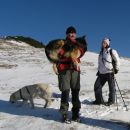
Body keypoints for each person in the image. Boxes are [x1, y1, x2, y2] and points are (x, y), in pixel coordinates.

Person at [53, 26, 86, 123]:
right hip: (64, 70)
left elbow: (82, 51)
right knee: (65, 92)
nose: (72, 34)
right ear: (66, 34)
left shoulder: (78, 43)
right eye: (70, 33)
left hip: (75, 70)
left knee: (75, 92)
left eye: (73, 33)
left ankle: (75, 113)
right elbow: (57, 55)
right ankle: (64, 114)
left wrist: (77, 53)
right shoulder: (62, 43)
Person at [93, 38, 120, 106]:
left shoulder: (112, 51)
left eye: (105, 42)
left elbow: (117, 60)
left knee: (111, 87)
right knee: (97, 86)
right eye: (102, 42)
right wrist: (99, 71)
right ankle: (99, 100)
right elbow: (100, 63)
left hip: (110, 72)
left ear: (107, 44)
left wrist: (116, 69)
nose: (103, 44)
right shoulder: (101, 53)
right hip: (101, 73)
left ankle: (111, 101)